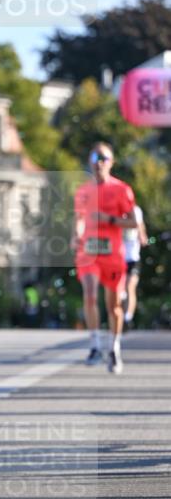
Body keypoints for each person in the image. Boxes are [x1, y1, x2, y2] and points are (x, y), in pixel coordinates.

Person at [72, 142, 137, 374]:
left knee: (114, 306)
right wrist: (76, 236)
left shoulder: (122, 189)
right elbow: (79, 219)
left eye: (104, 158)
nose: (99, 162)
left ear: (112, 163)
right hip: (89, 252)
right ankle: (94, 345)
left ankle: (114, 348)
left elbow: (133, 222)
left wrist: (108, 219)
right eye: (95, 157)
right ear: (90, 161)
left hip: (113, 254)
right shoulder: (83, 191)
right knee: (89, 294)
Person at [123, 204, 148, 327]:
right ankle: (119, 314)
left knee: (130, 287)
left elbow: (140, 224)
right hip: (117, 259)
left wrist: (142, 235)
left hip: (133, 257)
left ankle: (128, 317)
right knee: (119, 290)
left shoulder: (136, 210)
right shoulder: (115, 209)